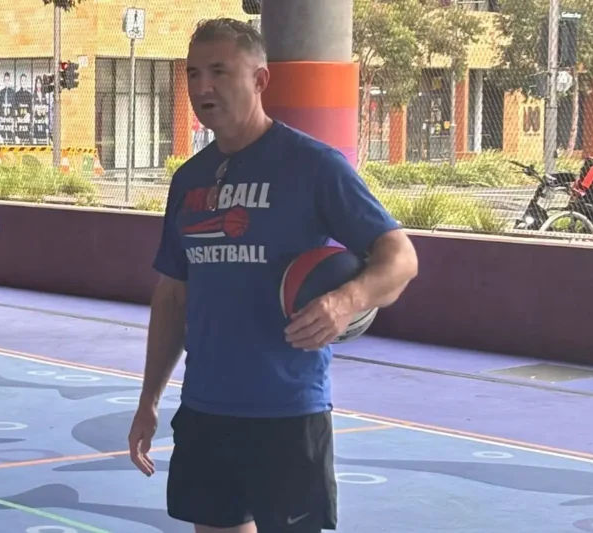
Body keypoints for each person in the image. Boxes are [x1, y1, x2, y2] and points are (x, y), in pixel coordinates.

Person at [127, 18, 418, 533]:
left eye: (219, 71)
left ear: (261, 79)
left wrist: (345, 300)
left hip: (286, 411)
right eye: (193, 73)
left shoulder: (312, 166)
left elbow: (400, 257)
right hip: (206, 405)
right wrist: (149, 400)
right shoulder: (189, 179)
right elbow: (172, 297)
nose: (202, 87)